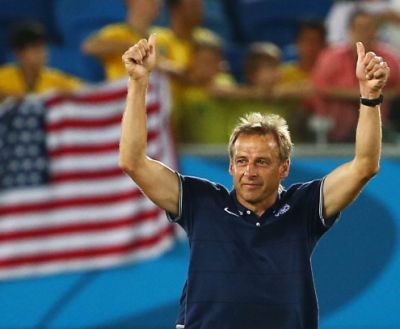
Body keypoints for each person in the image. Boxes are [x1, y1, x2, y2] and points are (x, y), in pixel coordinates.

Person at [119, 34, 389, 328]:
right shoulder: (202, 201)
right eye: (242, 161)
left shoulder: (303, 207)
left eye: (261, 162)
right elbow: (133, 162)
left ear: (284, 168)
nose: (249, 171)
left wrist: (369, 96)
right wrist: (138, 83)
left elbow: (364, 165)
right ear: (231, 167)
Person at [313, 9, 400, 142]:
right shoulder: (331, 56)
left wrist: (381, 95)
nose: (365, 33)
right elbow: (320, 88)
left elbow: (397, 90)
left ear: (376, 31)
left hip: (379, 130)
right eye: (360, 28)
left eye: (369, 28)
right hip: (336, 131)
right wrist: (365, 95)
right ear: (350, 30)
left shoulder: (390, 57)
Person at [0, 21, 83, 103]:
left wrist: (65, 94)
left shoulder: (55, 78)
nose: (43, 54)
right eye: (36, 49)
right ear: (19, 53)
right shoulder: (5, 74)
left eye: (44, 48)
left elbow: (84, 91)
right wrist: (8, 96)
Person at [81, 0, 161, 81]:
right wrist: (130, 47)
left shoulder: (164, 36)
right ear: (131, 2)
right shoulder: (118, 33)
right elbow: (89, 47)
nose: (156, 2)